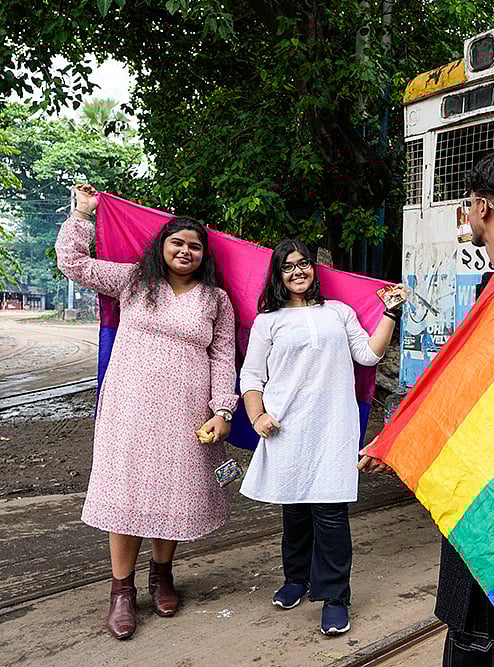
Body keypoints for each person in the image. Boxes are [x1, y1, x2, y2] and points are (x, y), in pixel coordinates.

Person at [362, 150, 494, 666]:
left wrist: (404, 441)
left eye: (468, 203)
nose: (465, 213)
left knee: (477, 630)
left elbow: (475, 393)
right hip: (490, 483)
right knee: (479, 624)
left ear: (484, 207)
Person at [55, 184, 237, 640]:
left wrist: (222, 410)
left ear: (204, 255)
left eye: (195, 246)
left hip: (186, 413)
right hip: (128, 409)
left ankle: (162, 575)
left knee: (172, 491)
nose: (186, 251)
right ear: (161, 247)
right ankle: (121, 591)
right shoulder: (134, 282)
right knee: (127, 494)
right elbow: (72, 264)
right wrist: (82, 214)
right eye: (177, 242)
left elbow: (223, 356)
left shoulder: (216, 299)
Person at [238, 239, 405, 636]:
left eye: (304, 264)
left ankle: (334, 597)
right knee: (294, 509)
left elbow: (368, 355)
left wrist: (390, 313)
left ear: (314, 268)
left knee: (330, 515)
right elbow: (251, 376)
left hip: (333, 427)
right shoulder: (268, 321)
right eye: (288, 266)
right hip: (286, 427)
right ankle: (297, 578)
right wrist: (257, 415)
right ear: (278, 275)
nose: (298, 272)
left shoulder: (339, 312)